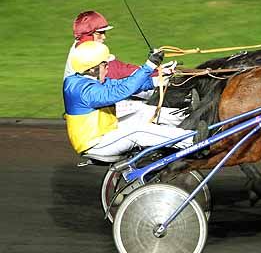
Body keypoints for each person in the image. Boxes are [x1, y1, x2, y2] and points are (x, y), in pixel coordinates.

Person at [63, 40, 203, 157]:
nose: (107, 68)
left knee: (142, 112)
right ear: (92, 68)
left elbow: (122, 83)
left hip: (106, 131)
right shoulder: (81, 89)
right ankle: (193, 140)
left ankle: (190, 122)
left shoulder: (87, 80)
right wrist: (149, 66)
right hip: (95, 143)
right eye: (105, 64)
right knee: (138, 131)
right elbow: (121, 91)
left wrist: (157, 80)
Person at [64, 10, 190, 126]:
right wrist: (155, 71)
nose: (104, 37)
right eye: (100, 33)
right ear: (88, 34)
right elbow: (119, 73)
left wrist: (155, 70)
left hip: (102, 95)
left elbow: (122, 70)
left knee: (145, 88)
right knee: (144, 106)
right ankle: (187, 121)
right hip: (97, 108)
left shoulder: (84, 47)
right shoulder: (88, 54)